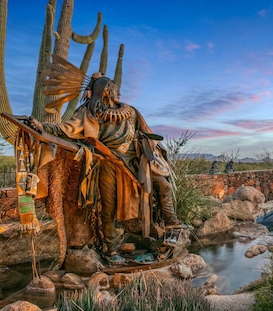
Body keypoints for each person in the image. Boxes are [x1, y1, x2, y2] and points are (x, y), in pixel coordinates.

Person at [28, 74, 185, 261]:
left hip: (136, 161)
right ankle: (111, 249)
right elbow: (67, 128)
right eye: (114, 89)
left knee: (163, 185)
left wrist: (151, 150)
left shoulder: (132, 112)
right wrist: (42, 126)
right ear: (106, 91)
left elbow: (145, 132)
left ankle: (173, 226)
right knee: (108, 207)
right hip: (108, 162)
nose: (118, 92)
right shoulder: (89, 111)